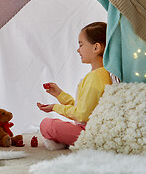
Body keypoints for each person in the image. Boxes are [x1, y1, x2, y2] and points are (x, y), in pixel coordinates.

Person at [37, 22, 112, 150]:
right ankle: (64, 139)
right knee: (54, 125)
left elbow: (82, 115)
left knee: (46, 124)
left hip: (91, 134)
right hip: (94, 130)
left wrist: (55, 107)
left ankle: (65, 140)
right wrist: (59, 95)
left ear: (96, 48)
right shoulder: (103, 74)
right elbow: (84, 108)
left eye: (81, 44)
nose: (78, 50)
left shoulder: (95, 77)